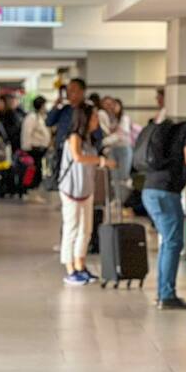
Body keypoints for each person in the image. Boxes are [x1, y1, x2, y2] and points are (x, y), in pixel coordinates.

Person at [142, 101, 186, 309]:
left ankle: (164, 293)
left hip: (151, 189)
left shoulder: (177, 128)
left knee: (169, 243)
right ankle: (166, 295)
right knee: (173, 242)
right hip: (165, 193)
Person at [58, 104, 116, 286]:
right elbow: (77, 157)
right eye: (94, 118)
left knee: (86, 229)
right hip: (71, 190)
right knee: (72, 229)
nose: (97, 121)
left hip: (86, 189)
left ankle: (80, 265)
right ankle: (70, 270)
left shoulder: (89, 139)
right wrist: (102, 161)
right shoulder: (74, 137)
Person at [46, 78, 88, 189]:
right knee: (63, 180)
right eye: (68, 90)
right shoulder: (65, 109)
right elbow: (49, 121)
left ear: (82, 92)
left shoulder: (88, 110)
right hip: (61, 149)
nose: (69, 93)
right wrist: (56, 105)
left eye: (73, 90)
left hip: (80, 152)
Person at [100, 98, 134, 207]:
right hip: (113, 149)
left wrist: (104, 142)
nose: (113, 108)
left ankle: (125, 200)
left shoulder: (124, 118)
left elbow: (120, 136)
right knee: (114, 176)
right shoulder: (112, 119)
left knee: (123, 176)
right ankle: (118, 199)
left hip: (124, 149)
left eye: (115, 105)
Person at [21, 95, 51, 179]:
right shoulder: (32, 117)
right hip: (33, 149)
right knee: (34, 170)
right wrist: (26, 147)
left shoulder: (41, 117)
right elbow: (27, 133)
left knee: (39, 169)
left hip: (41, 148)